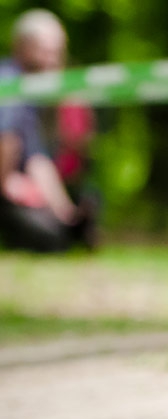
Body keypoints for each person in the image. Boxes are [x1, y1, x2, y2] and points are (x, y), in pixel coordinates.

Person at [0, 9, 96, 253]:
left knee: (68, 224)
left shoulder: (35, 92)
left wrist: (64, 211)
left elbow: (37, 159)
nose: (54, 59)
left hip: (20, 180)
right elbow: (6, 141)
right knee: (51, 239)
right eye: (47, 50)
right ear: (22, 47)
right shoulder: (10, 82)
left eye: (58, 50)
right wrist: (11, 183)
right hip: (6, 184)